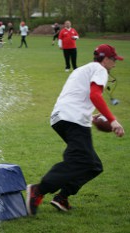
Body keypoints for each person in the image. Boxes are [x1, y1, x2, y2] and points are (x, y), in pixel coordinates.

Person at [26, 44, 125, 216]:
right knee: (79, 160)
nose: (115, 64)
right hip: (73, 119)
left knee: (93, 165)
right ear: (106, 59)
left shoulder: (83, 69)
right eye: (114, 60)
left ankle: (62, 197)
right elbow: (95, 95)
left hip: (61, 117)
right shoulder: (99, 69)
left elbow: (78, 95)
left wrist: (91, 116)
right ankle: (38, 190)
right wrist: (112, 120)